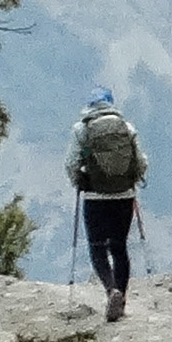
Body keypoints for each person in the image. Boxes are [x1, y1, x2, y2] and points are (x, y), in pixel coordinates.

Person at [66, 91, 145, 320]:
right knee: (119, 247)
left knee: (97, 246)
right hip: (124, 196)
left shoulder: (81, 130)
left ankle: (111, 291)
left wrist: (80, 182)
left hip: (95, 197)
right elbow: (141, 162)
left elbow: (71, 163)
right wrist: (132, 181)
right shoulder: (127, 128)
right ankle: (122, 300)